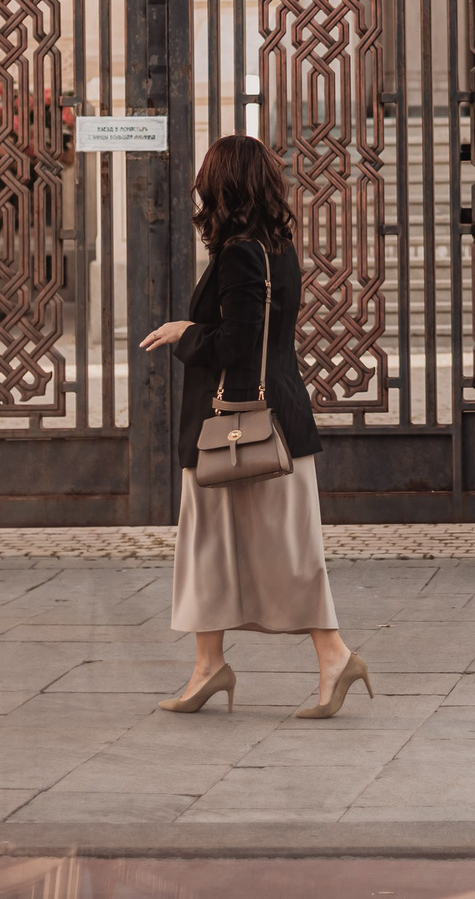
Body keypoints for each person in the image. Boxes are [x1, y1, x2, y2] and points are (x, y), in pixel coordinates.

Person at [138, 135, 370, 718]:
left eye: (206, 177)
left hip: (242, 427)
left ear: (223, 186)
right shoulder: (278, 247)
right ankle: (209, 666)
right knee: (217, 548)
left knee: (282, 553)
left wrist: (182, 333)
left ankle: (335, 655)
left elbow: (239, 344)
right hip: (264, 421)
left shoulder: (241, 254)